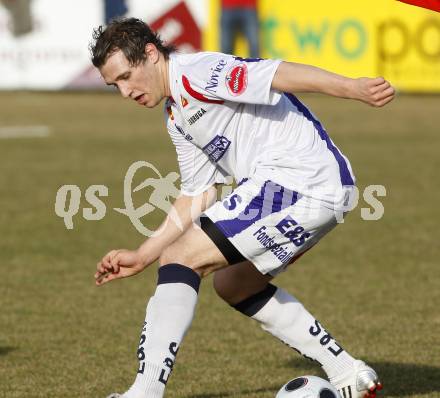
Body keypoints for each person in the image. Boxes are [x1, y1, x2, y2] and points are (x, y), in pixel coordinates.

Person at [90, 18, 394, 398]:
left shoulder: (196, 73)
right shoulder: (176, 115)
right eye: (113, 85)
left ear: (150, 54)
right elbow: (199, 193)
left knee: (181, 257)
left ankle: (145, 391)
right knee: (234, 284)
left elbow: (275, 73)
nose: (123, 91)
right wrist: (143, 254)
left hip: (299, 179)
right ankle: (348, 371)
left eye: (125, 76)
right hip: (312, 188)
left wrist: (350, 87)